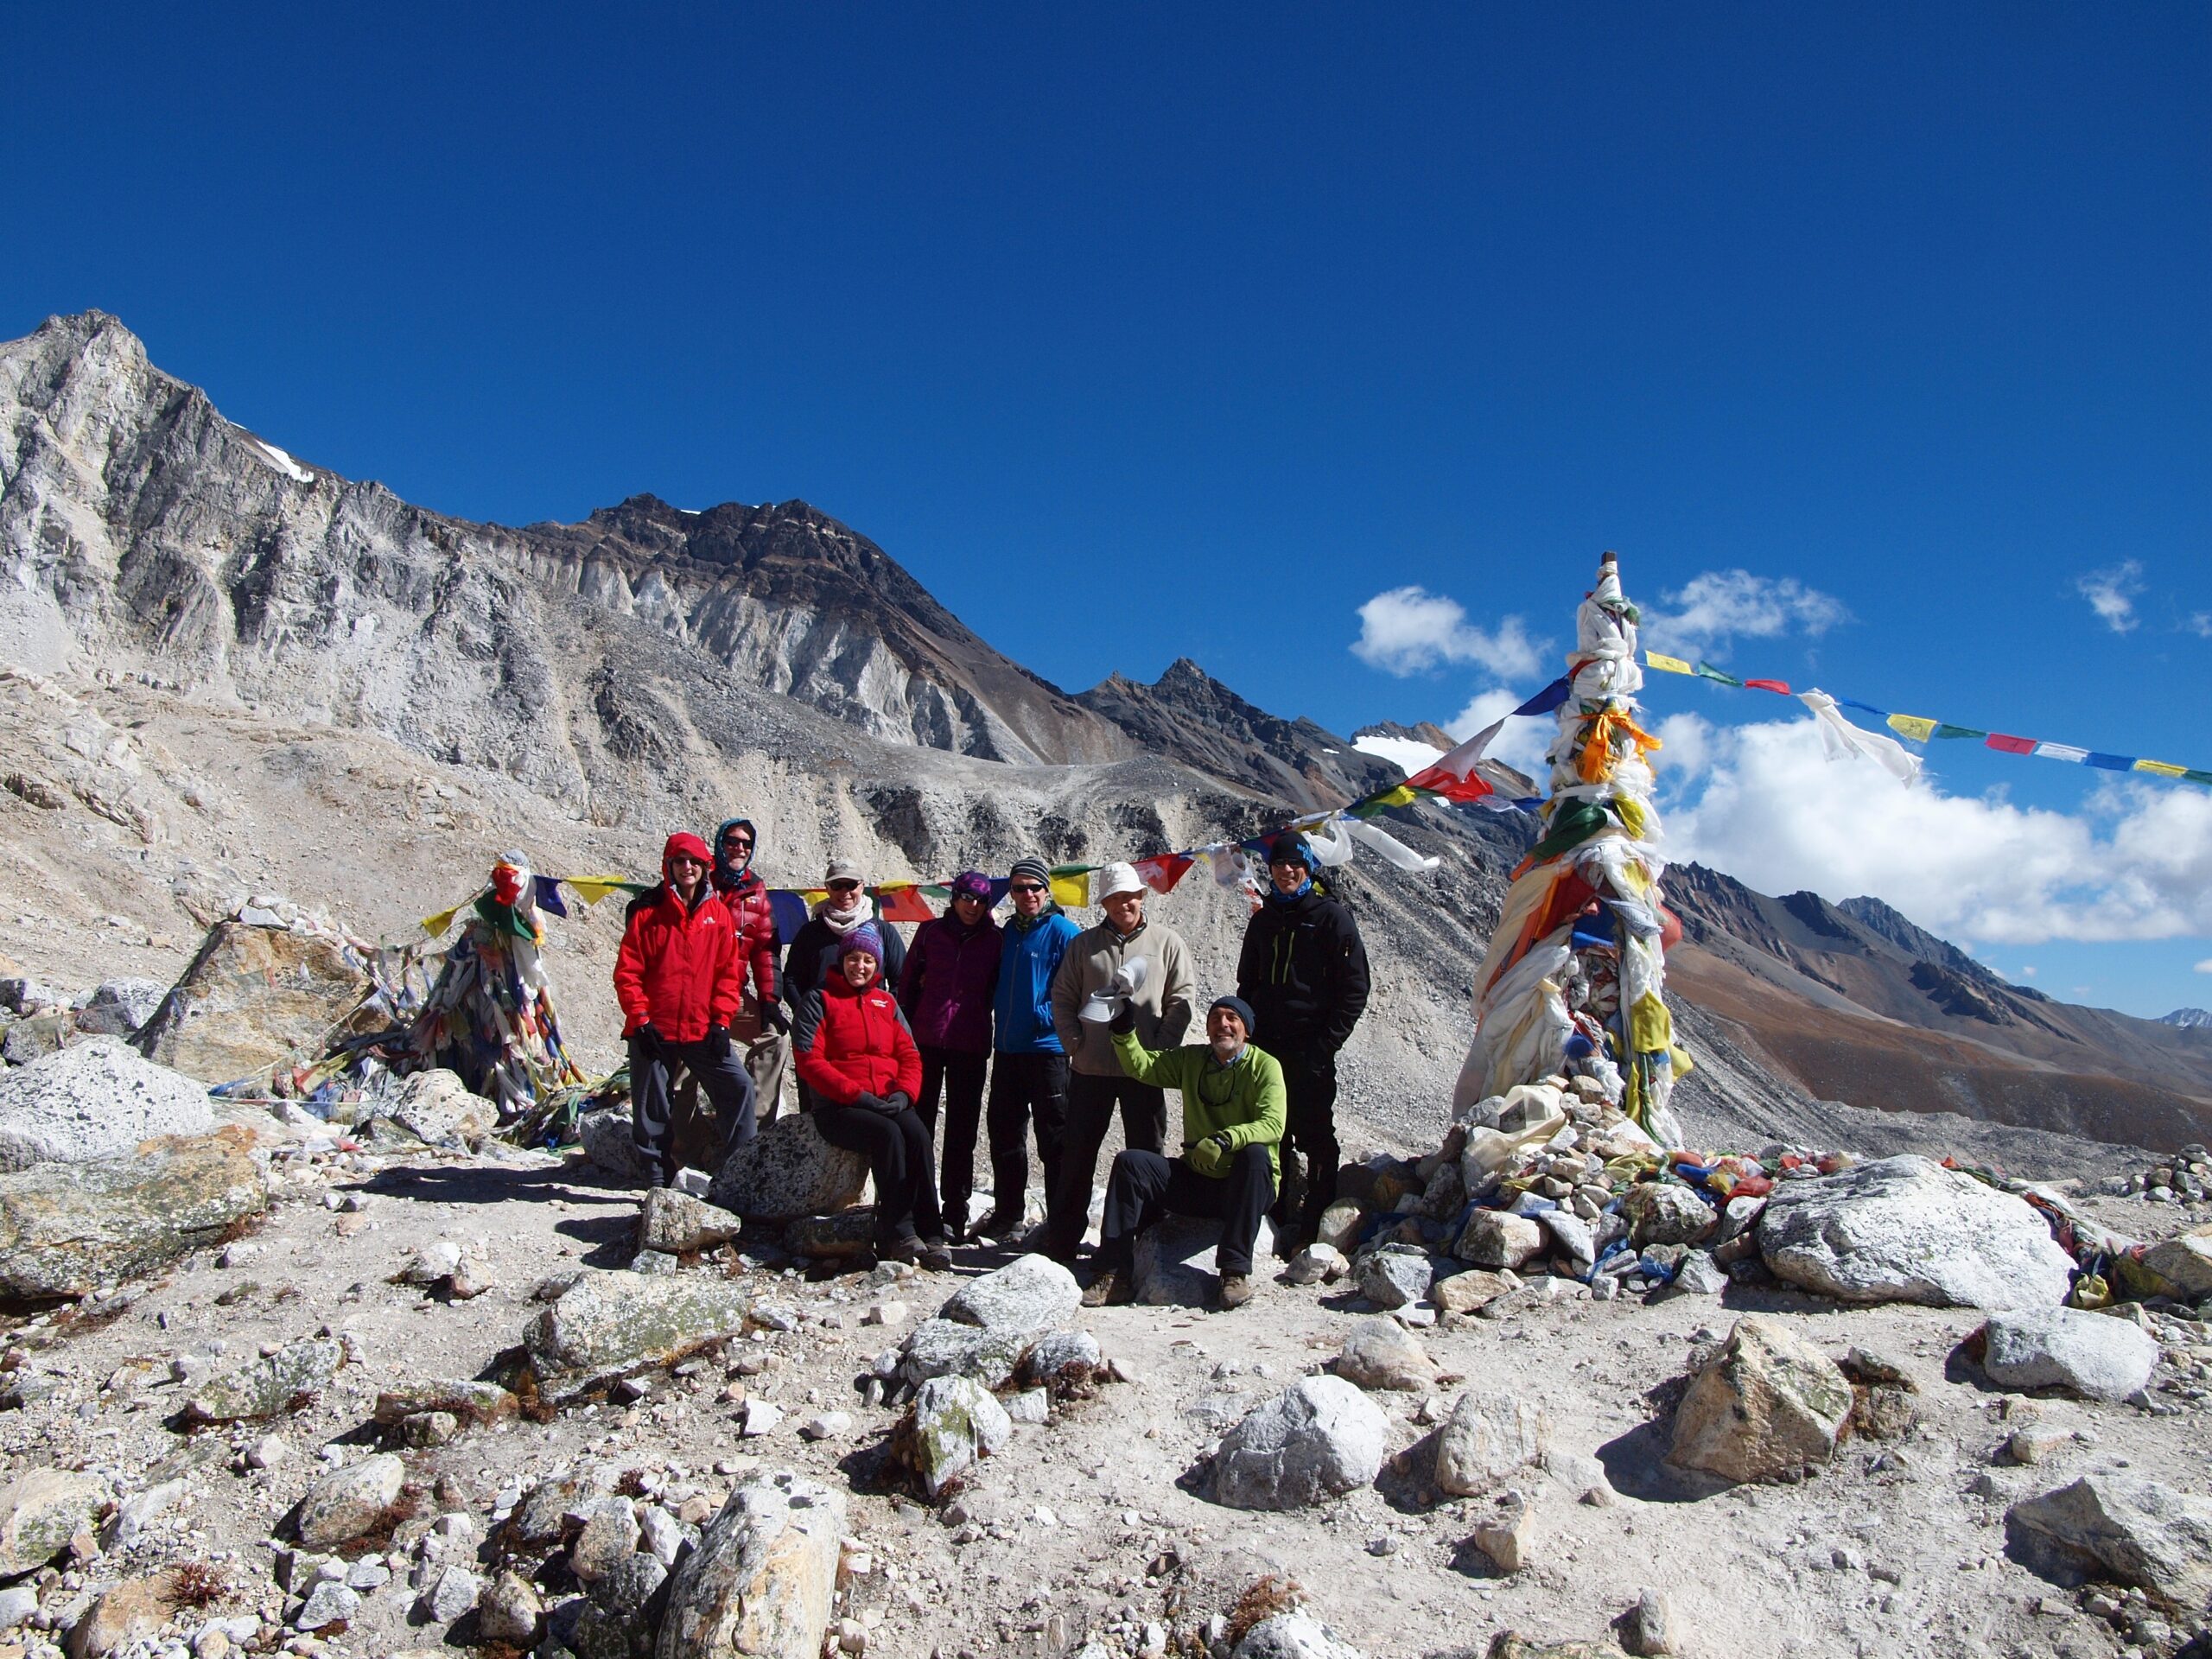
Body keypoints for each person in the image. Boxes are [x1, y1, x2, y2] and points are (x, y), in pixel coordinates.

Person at [1082, 994, 1283, 1312]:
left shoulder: (1265, 1066)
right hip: (1199, 1179)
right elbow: (1143, 1067)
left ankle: (1234, 1272)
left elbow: (1273, 1125)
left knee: (1256, 1156)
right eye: (1216, 1018)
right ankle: (1114, 1274)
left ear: (1247, 1030)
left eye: (1232, 1018)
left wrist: (1226, 1140)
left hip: (1243, 1188)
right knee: (1131, 1163)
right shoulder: (1192, 1060)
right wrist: (1124, 1031)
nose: (1223, 1025)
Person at [1043, 861, 1196, 1260]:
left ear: (1142, 897)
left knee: (1146, 1151)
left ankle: (1146, 1236)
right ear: (1104, 903)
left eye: (1130, 896)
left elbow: (1181, 1000)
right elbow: (1062, 996)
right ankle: (1063, 1238)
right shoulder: (1084, 945)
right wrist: (1074, 1043)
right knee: (1077, 1153)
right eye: (1114, 898)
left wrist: (1161, 1049)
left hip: (1144, 1070)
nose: (1123, 904)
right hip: (1090, 1068)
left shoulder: (1167, 943)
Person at [1234, 831, 1370, 1253]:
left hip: (1311, 1047)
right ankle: (1275, 1218)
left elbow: (1355, 987)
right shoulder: (1263, 919)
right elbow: (1247, 982)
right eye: (1278, 865)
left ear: (1309, 868)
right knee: (1272, 1132)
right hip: (1266, 1047)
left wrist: (1327, 1043)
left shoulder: (1332, 917)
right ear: (1271, 871)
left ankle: (1316, 1223)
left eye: (1295, 865)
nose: (1286, 871)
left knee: (1315, 1134)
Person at [792, 934, 950, 1270]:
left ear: (877, 965)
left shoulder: (885, 1002)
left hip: (886, 1100)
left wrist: (904, 1093)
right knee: (887, 1136)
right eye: (853, 959)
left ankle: (931, 1231)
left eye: (867, 960)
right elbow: (810, 1060)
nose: (859, 966)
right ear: (842, 960)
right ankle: (898, 1233)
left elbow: (909, 1053)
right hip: (839, 1106)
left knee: (919, 1136)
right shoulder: (819, 999)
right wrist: (857, 1095)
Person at [613, 832, 758, 1189]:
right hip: (654, 1028)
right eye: (680, 861)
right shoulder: (648, 913)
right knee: (652, 1107)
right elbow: (628, 972)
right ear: (669, 866)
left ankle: (739, 1173)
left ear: (706, 867)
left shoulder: (719, 916)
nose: (688, 867)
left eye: (695, 861)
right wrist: (641, 1020)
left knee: (739, 1087)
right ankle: (656, 1182)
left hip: (701, 1027)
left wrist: (722, 1021)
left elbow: (729, 973)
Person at [895, 870, 1003, 1242]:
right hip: (924, 1040)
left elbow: (998, 989)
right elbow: (907, 983)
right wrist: (902, 1031)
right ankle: (916, 1205)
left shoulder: (996, 941)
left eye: (979, 900)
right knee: (918, 1125)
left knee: (962, 1131)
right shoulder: (929, 933)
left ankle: (954, 1213)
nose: (972, 906)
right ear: (953, 898)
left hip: (970, 1043)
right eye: (966, 898)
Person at [976, 855, 1078, 1242]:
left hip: (1048, 1050)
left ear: (1047, 890)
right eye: (1019, 888)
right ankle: (1008, 1214)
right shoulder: (1009, 933)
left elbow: (1081, 987)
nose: (1028, 894)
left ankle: (1061, 1222)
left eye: (1034, 887)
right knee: (1004, 1133)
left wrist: (1045, 1013)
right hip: (1008, 1048)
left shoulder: (1063, 931)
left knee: (1054, 1139)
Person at [782, 859, 906, 1109]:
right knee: (818, 1109)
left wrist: (883, 1021)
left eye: (851, 885)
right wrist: (810, 1018)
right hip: (820, 1039)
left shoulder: (882, 932)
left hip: (871, 1042)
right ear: (827, 889)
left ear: (862, 887)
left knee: (872, 1110)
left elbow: (901, 981)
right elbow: (792, 979)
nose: (844, 893)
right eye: (837, 886)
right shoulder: (811, 933)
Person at [709, 817, 791, 1120]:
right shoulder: (700, 882)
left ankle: (753, 1130)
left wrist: (770, 1000)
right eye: (732, 841)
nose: (739, 848)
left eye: (746, 843)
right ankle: (684, 1147)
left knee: (775, 1037)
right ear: (720, 844)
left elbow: (766, 950)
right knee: (684, 1069)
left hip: (733, 993)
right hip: (694, 992)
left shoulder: (756, 892)